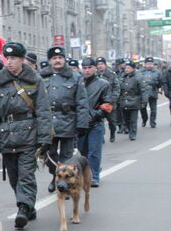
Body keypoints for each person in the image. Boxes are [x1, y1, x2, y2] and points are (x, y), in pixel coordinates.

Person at [0, 42, 52, 229]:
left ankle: (22, 208)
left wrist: (45, 138)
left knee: (26, 175)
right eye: (7, 58)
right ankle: (28, 206)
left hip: (29, 134)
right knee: (14, 177)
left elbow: (43, 110)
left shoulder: (35, 80)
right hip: (6, 135)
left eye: (14, 58)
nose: (10, 62)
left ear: (23, 60)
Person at [40, 46, 89, 193]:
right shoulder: (41, 77)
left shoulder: (75, 77)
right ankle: (54, 176)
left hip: (68, 121)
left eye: (60, 58)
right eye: (54, 58)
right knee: (49, 155)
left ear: (64, 59)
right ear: (50, 61)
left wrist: (82, 123)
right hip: (48, 123)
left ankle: (64, 184)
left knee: (67, 157)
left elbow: (82, 101)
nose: (57, 60)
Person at [77, 58, 112, 187]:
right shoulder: (77, 82)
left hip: (96, 123)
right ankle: (87, 173)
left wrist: (96, 116)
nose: (87, 70)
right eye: (85, 68)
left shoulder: (103, 84)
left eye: (90, 67)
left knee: (94, 152)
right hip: (80, 124)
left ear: (95, 68)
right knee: (82, 152)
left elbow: (108, 104)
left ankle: (94, 176)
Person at [117, 59, 147, 140]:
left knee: (133, 119)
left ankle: (133, 133)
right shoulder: (122, 77)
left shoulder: (138, 77)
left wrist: (144, 101)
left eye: (129, 68)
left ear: (133, 68)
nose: (126, 69)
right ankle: (129, 129)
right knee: (126, 119)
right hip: (124, 102)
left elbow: (143, 90)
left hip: (134, 101)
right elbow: (118, 89)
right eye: (126, 68)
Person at [96, 56, 120, 142]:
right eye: (98, 64)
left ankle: (113, 133)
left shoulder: (111, 75)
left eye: (102, 64)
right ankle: (101, 137)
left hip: (110, 103)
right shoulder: (95, 75)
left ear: (105, 65)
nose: (100, 66)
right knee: (99, 121)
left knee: (112, 121)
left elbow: (116, 88)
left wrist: (112, 99)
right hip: (98, 103)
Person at [139, 57, 163, 128]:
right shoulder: (140, 72)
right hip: (143, 93)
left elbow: (160, 82)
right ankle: (144, 119)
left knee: (153, 109)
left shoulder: (157, 72)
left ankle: (152, 122)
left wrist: (159, 88)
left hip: (153, 92)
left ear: (153, 64)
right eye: (148, 64)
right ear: (145, 64)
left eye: (151, 64)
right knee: (142, 108)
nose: (149, 65)